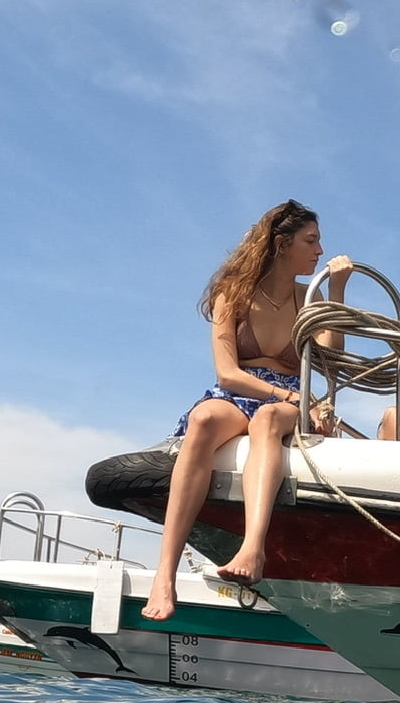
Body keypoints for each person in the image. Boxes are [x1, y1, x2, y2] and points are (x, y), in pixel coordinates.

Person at [148, 201, 352, 617]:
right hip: (246, 392)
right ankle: (163, 575)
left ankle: (252, 548)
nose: (319, 250)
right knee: (204, 418)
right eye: (310, 241)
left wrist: (336, 293)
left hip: (296, 395)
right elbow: (227, 374)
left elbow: (330, 359)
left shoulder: (306, 298)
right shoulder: (234, 295)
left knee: (267, 420)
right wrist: (279, 395)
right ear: (281, 244)